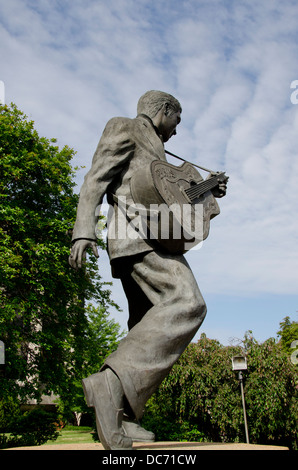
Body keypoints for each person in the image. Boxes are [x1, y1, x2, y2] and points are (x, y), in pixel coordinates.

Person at [69, 90, 227, 450]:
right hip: (137, 235)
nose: (177, 129)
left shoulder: (158, 149)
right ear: (164, 110)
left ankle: (121, 415)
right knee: (187, 302)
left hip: (154, 234)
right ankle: (109, 384)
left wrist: (209, 190)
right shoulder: (123, 127)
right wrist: (84, 229)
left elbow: (170, 193)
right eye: (177, 119)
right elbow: (95, 178)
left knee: (144, 326)